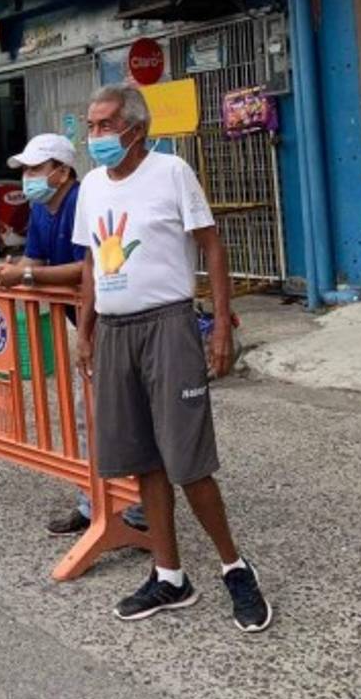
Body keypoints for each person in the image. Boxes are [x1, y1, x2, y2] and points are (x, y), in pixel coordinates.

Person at [72, 83, 272, 633]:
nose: (96, 137)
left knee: (188, 462)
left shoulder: (171, 173)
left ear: (136, 129)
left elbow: (210, 245)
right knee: (144, 461)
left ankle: (235, 567)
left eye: (106, 125)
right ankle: (170, 576)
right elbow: (91, 263)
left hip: (169, 326)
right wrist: (84, 330)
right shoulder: (90, 187)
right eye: (90, 126)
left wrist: (221, 325)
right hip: (114, 332)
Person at [0, 134, 146, 536]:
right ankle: (93, 503)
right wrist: (9, 272)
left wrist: (24, 275)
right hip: (82, 324)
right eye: (25, 171)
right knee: (85, 416)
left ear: (61, 171)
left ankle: (138, 507)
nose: (28, 178)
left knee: (120, 415)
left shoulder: (82, 202)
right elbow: (34, 259)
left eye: (36, 169)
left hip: (115, 319)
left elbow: (87, 268)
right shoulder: (41, 210)